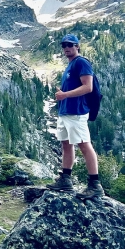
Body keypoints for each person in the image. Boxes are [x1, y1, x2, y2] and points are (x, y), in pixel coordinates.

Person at [46, 34, 104, 199]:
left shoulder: (81, 62)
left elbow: (88, 87)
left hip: (77, 112)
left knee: (84, 145)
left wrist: (65, 95)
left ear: (77, 46)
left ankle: (95, 184)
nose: (66, 48)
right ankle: (66, 179)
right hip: (66, 112)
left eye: (70, 45)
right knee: (66, 144)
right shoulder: (71, 65)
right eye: (64, 45)